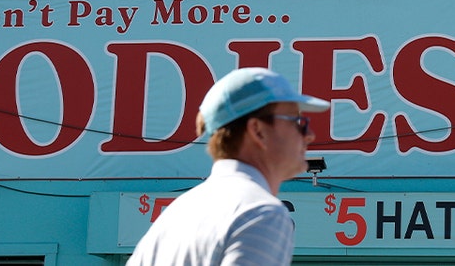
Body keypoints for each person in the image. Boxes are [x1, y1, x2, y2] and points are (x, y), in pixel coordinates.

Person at [125, 66, 329, 266]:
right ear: (258, 131)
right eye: (298, 122)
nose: (309, 134)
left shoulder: (174, 216)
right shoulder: (260, 212)